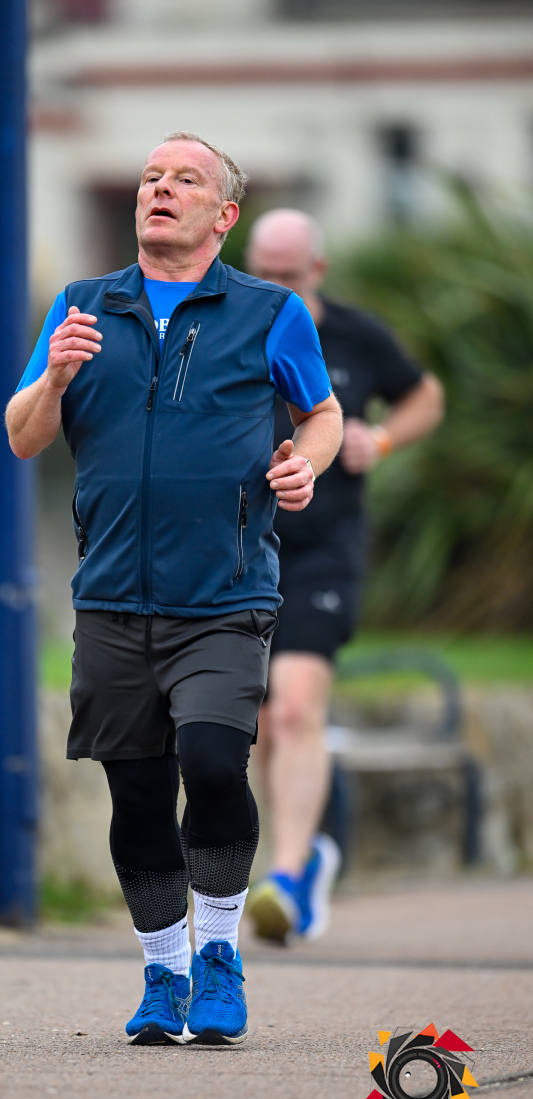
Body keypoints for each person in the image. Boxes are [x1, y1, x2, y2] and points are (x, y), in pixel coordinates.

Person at [6, 134, 343, 1046]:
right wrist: (58, 374)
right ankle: (164, 974)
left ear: (223, 214)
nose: (160, 188)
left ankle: (220, 954)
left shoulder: (270, 312)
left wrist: (305, 464)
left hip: (225, 595)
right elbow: (23, 434)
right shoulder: (82, 306)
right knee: (140, 798)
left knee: (213, 762)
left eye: (184, 179)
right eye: (152, 177)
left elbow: (321, 413)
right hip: (111, 596)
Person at [245, 210, 444, 944]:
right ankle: (308, 854)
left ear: (317, 272)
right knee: (263, 723)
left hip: (325, 550)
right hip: (244, 549)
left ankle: (287, 878)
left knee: (297, 707)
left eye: (288, 275)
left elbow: (425, 395)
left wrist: (381, 438)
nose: (275, 286)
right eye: (263, 272)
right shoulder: (232, 328)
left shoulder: (358, 335)